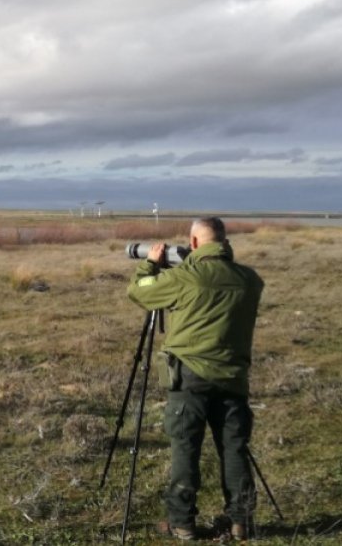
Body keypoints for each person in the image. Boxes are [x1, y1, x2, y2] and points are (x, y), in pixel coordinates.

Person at [127, 217, 265, 542]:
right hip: (232, 377)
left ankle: (183, 523)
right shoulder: (250, 280)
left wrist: (149, 265)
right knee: (234, 449)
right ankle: (241, 522)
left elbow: (139, 292)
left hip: (189, 376)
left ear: (193, 242)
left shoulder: (186, 277)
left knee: (186, 447)